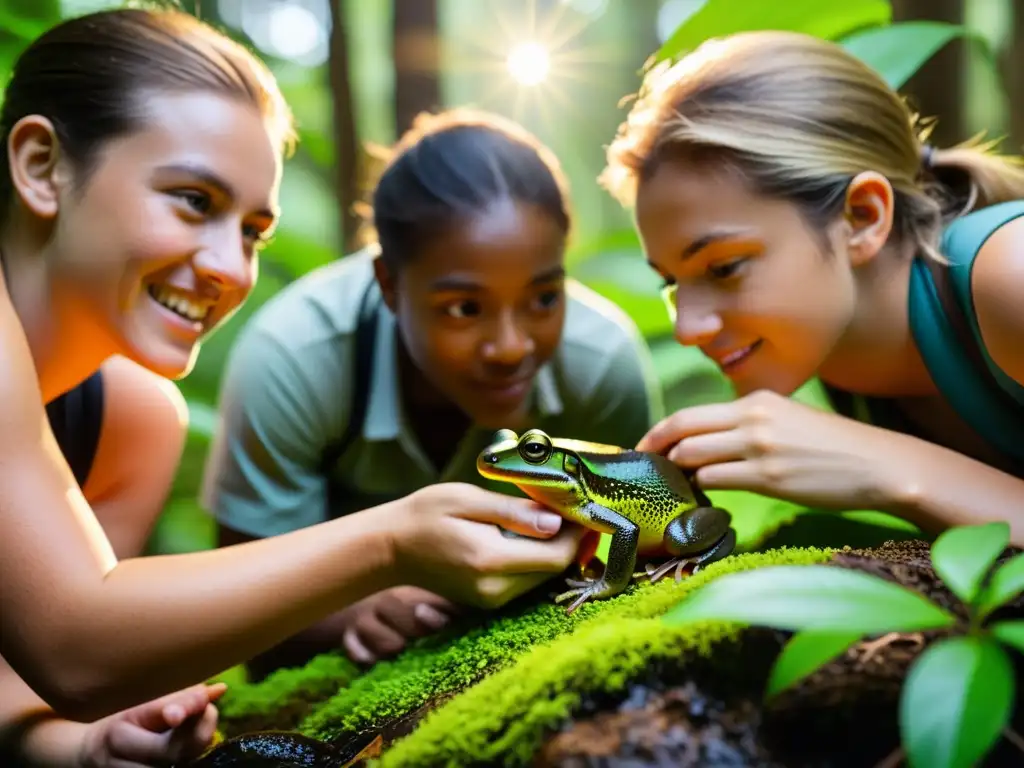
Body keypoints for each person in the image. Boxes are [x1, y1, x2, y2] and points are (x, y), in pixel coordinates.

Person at [0, 6, 584, 726]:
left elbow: (30, 690)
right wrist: (391, 541)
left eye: (252, 232)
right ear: (40, 166)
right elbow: (76, 649)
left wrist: (80, 749)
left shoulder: (132, 419)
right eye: (193, 201)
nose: (228, 268)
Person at [200, 107, 665, 676]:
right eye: (465, 308)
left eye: (543, 298)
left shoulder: (600, 364)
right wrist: (352, 612)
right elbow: (235, 605)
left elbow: (643, 556)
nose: (511, 346)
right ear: (390, 286)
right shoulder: (295, 357)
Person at [597, 30, 1024, 545]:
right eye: (672, 283)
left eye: (725, 267)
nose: (687, 327)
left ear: (863, 218)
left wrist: (899, 469)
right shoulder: (837, 354)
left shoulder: (1009, 273)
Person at [1, 359, 222, 766]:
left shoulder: (129, 415)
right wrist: (379, 541)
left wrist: (91, 747)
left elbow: (25, 674)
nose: (234, 289)